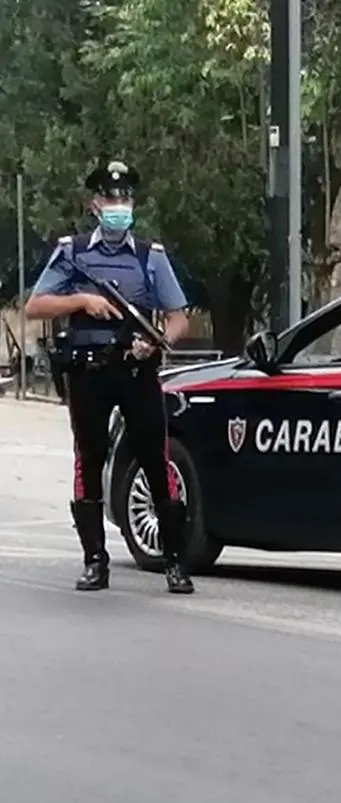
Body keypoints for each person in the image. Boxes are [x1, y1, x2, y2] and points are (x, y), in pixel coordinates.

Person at [24, 159, 195, 594]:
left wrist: (156, 343)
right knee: (90, 458)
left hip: (136, 370)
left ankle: (175, 562)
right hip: (88, 372)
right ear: (95, 205)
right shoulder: (74, 252)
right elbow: (36, 305)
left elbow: (178, 318)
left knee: (155, 458)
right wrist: (80, 300)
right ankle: (95, 561)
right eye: (111, 199)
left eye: (125, 198)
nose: (119, 205)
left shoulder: (148, 257)